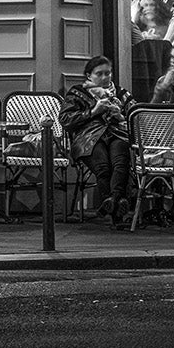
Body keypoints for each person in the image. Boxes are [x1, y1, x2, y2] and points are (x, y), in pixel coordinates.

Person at [63, 55, 135, 227]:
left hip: (117, 134)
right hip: (88, 138)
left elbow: (138, 119)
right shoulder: (77, 93)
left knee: (120, 163)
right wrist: (93, 111)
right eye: (99, 74)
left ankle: (112, 202)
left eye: (108, 74)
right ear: (89, 75)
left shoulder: (122, 94)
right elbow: (66, 120)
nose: (104, 78)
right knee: (103, 168)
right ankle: (118, 207)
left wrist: (120, 116)